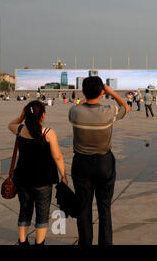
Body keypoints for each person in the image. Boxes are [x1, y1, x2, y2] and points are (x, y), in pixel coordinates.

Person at [68, 76, 130, 245]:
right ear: (102, 92)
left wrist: (88, 97)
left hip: (81, 164)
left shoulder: (75, 111)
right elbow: (126, 107)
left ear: (83, 92)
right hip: (104, 163)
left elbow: (77, 107)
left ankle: (85, 242)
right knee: (104, 207)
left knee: (84, 207)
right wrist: (112, 93)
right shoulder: (109, 111)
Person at [8, 100, 67, 246]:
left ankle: (22, 242)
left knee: (24, 210)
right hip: (43, 180)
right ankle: (39, 243)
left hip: (22, 178)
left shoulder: (20, 130)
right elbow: (57, 156)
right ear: (43, 116)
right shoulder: (48, 132)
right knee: (42, 214)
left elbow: (10, 125)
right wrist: (64, 176)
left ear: (26, 114)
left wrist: (21, 116)